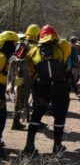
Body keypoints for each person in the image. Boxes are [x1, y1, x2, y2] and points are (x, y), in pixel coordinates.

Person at [23, 25, 72, 155]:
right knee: (60, 115)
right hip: (60, 86)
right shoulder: (63, 45)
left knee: (37, 114)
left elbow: (32, 72)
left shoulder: (33, 51)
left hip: (42, 87)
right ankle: (57, 146)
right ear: (54, 35)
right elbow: (67, 58)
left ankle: (29, 145)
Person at [0, 31, 19, 158]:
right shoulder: (1, 57)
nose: (15, 46)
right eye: (13, 43)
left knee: (2, 117)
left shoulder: (6, 57)